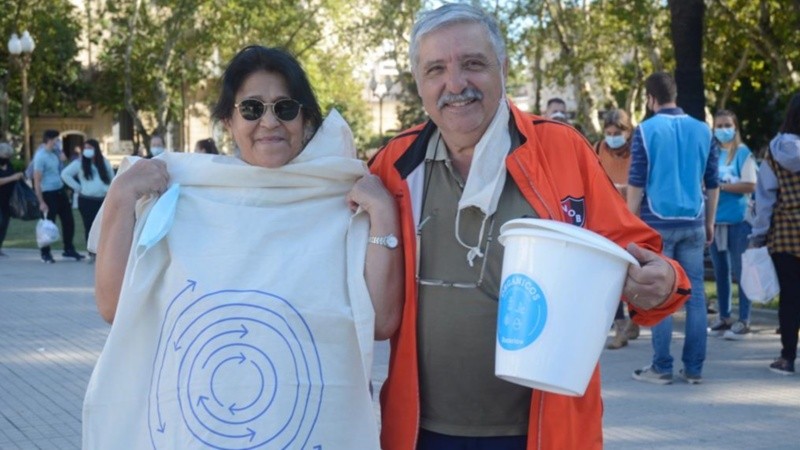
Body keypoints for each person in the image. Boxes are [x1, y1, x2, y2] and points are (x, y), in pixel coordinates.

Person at [369, 5, 690, 449]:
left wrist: (664, 281)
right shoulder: (393, 165)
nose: (455, 84)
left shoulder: (562, 149)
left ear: (502, 69)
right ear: (419, 83)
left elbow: (640, 255)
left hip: (544, 432)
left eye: (473, 63)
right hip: (421, 432)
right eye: (436, 69)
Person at [85, 46, 402, 448]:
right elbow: (114, 306)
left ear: (305, 120)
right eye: (251, 108)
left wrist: (383, 214)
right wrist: (121, 197)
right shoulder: (179, 198)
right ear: (228, 122)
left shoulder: (346, 200)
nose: (269, 121)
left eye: (285, 108)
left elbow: (382, 321)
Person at [627, 72, 719, 385]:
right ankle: (694, 369)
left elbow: (637, 182)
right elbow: (713, 182)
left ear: (650, 98)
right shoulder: (703, 129)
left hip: (657, 223)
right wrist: (709, 221)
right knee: (695, 296)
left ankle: (661, 367)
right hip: (694, 220)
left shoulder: (646, 130)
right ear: (675, 94)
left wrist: (630, 223)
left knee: (661, 293)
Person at [750, 92, 800, 375]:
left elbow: (765, 198)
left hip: (785, 234)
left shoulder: (776, 150)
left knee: (790, 298)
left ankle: (787, 357)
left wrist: (758, 235)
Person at [706, 110, 757, 340]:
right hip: (716, 220)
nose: (723, 129)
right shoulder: (712, 153)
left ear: (735, 127)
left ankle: (744, 319)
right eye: (719, 126)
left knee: (741, 271)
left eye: (727, 125)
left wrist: (722, 186)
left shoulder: (743, 153)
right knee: (721, 271)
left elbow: (751, 185)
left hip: (738, 220)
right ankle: (724, 316)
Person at [594, 108, 640, 349]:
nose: (612, 138)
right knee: (610, 275)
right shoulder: (598, 148)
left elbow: (640, 183)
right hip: (606, 219)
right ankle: (620, 325)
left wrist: (622, 189)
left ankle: (634, 319)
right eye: (608, 133)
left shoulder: (637, 152)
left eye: (617, 133)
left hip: (632, 219)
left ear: (628, 131)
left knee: (632, 274)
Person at [32, 129, 85, 263]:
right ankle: (45, 253)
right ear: (50, 140)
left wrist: (63, 159)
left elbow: (62, 171)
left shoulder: (55, 154)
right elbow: (37, 181)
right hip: (47, 193)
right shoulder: (40, 156)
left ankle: (68, 249)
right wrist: (41, 202)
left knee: (68, 221)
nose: (59, 143)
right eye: (57, 140)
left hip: (60, 191)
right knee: (48, 224)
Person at [60, 139, 114, 263]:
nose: (87, 150)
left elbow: (112, 178)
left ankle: (103, 252)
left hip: (103, 199)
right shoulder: (79, 163)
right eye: (86, 148)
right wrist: (77, 187)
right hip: (87, 200)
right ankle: (92, 253)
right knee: (89, 226)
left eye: (90, 148)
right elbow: (65, 174)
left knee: (104, 226)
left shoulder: (104, 162)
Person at [0, 142, 25, 256]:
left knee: (4, 224)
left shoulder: (9, 165)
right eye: (5, 155)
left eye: (9, 156)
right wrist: (13, 177)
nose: (7, 158)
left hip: (7, 200)